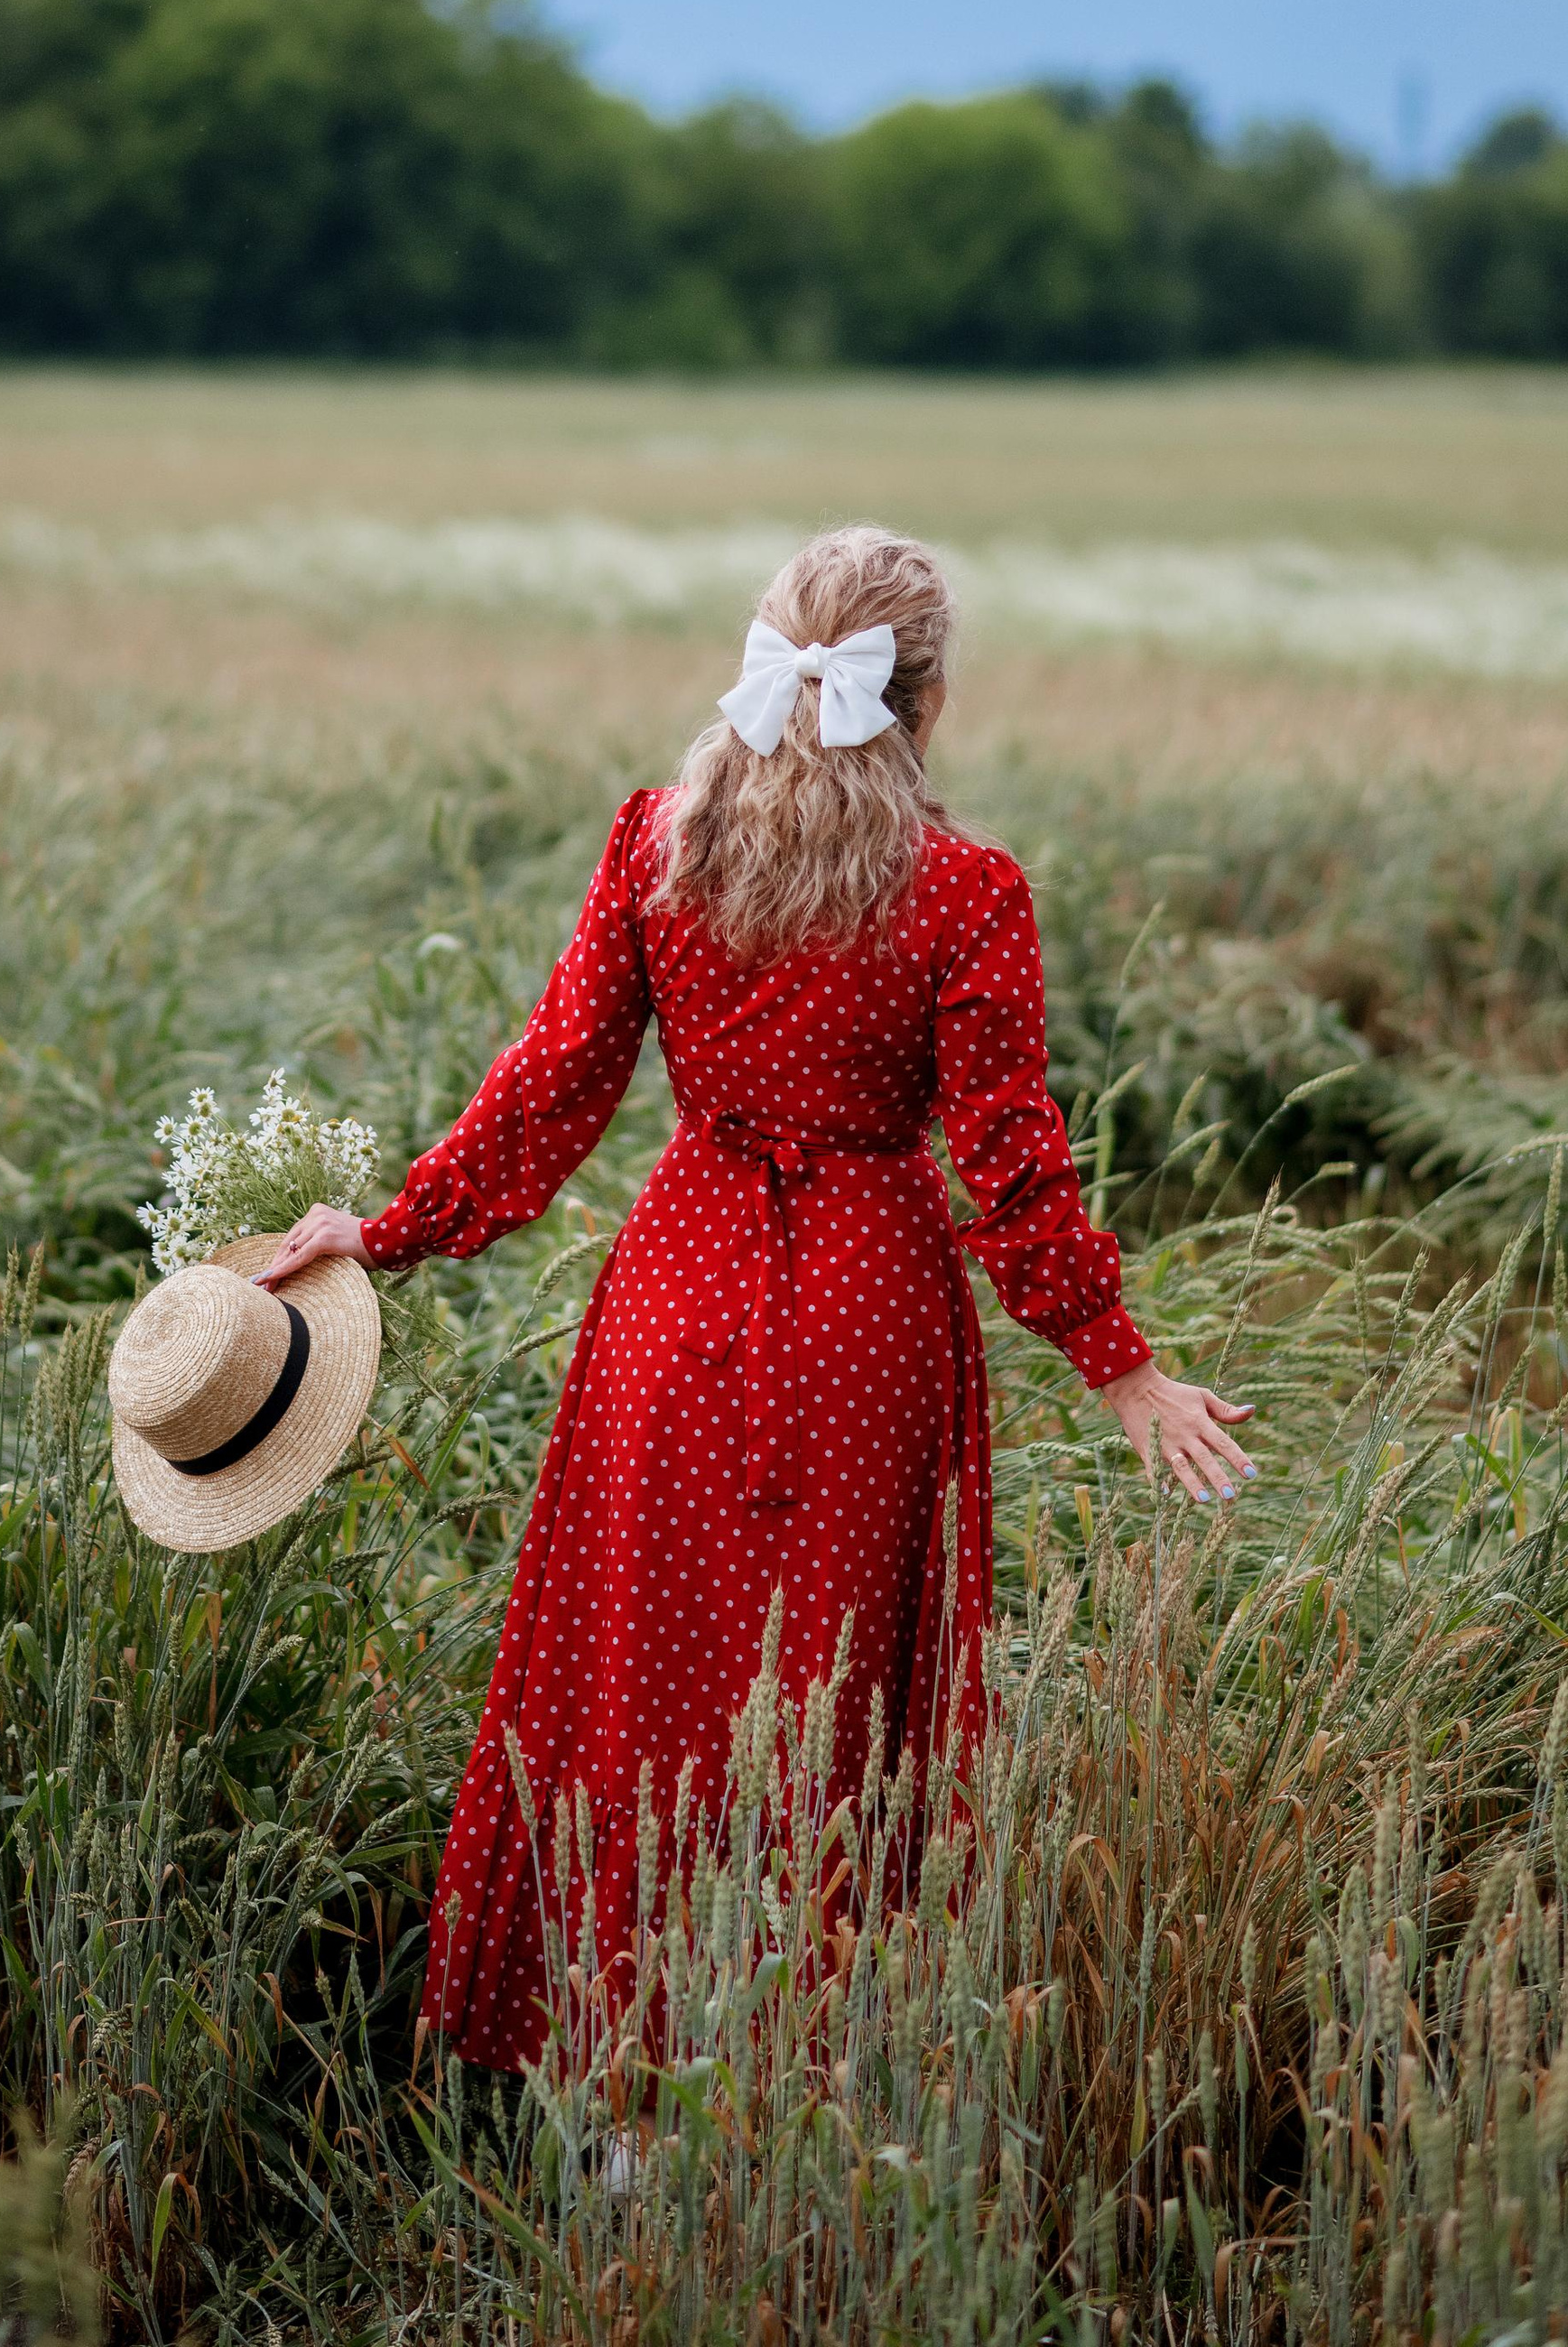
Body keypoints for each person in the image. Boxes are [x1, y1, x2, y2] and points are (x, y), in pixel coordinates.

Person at [260, 524, 1254, 2072]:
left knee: (639, 1697)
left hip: (673, 1306)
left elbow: (552, 1083)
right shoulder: (968, 890)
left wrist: (389, 1232)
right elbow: (1012, 1161)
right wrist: (1122, 1369)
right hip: (869, 1324)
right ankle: (800, 2082)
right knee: (833, 1709)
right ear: (926, 701)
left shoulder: (661, 840)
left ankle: (611, 2087)